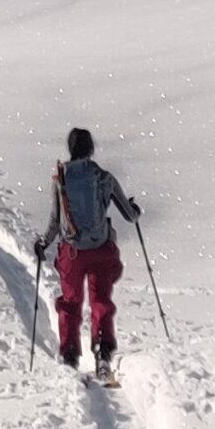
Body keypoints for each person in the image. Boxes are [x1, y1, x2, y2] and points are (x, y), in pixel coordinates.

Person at [36, 127, 140, 378]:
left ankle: (70, 355)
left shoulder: (61, 179)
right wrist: (136, 209)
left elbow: (55, 219)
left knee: (70, 303)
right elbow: (129, 215)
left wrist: (43, 243)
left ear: (70, 149)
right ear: (91, 148)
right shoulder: (103, 177)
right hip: (101, 249)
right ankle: (103, 354)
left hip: (72, 254)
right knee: (100, 300)